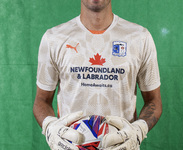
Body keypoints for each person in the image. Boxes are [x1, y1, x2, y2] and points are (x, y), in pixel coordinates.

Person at [33, 0, 162, 149]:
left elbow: (154, 100)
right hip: (71, 146)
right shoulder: (54, 38)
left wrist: (139, 130)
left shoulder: (140, 37)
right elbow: (42, 100)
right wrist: (50, 127)